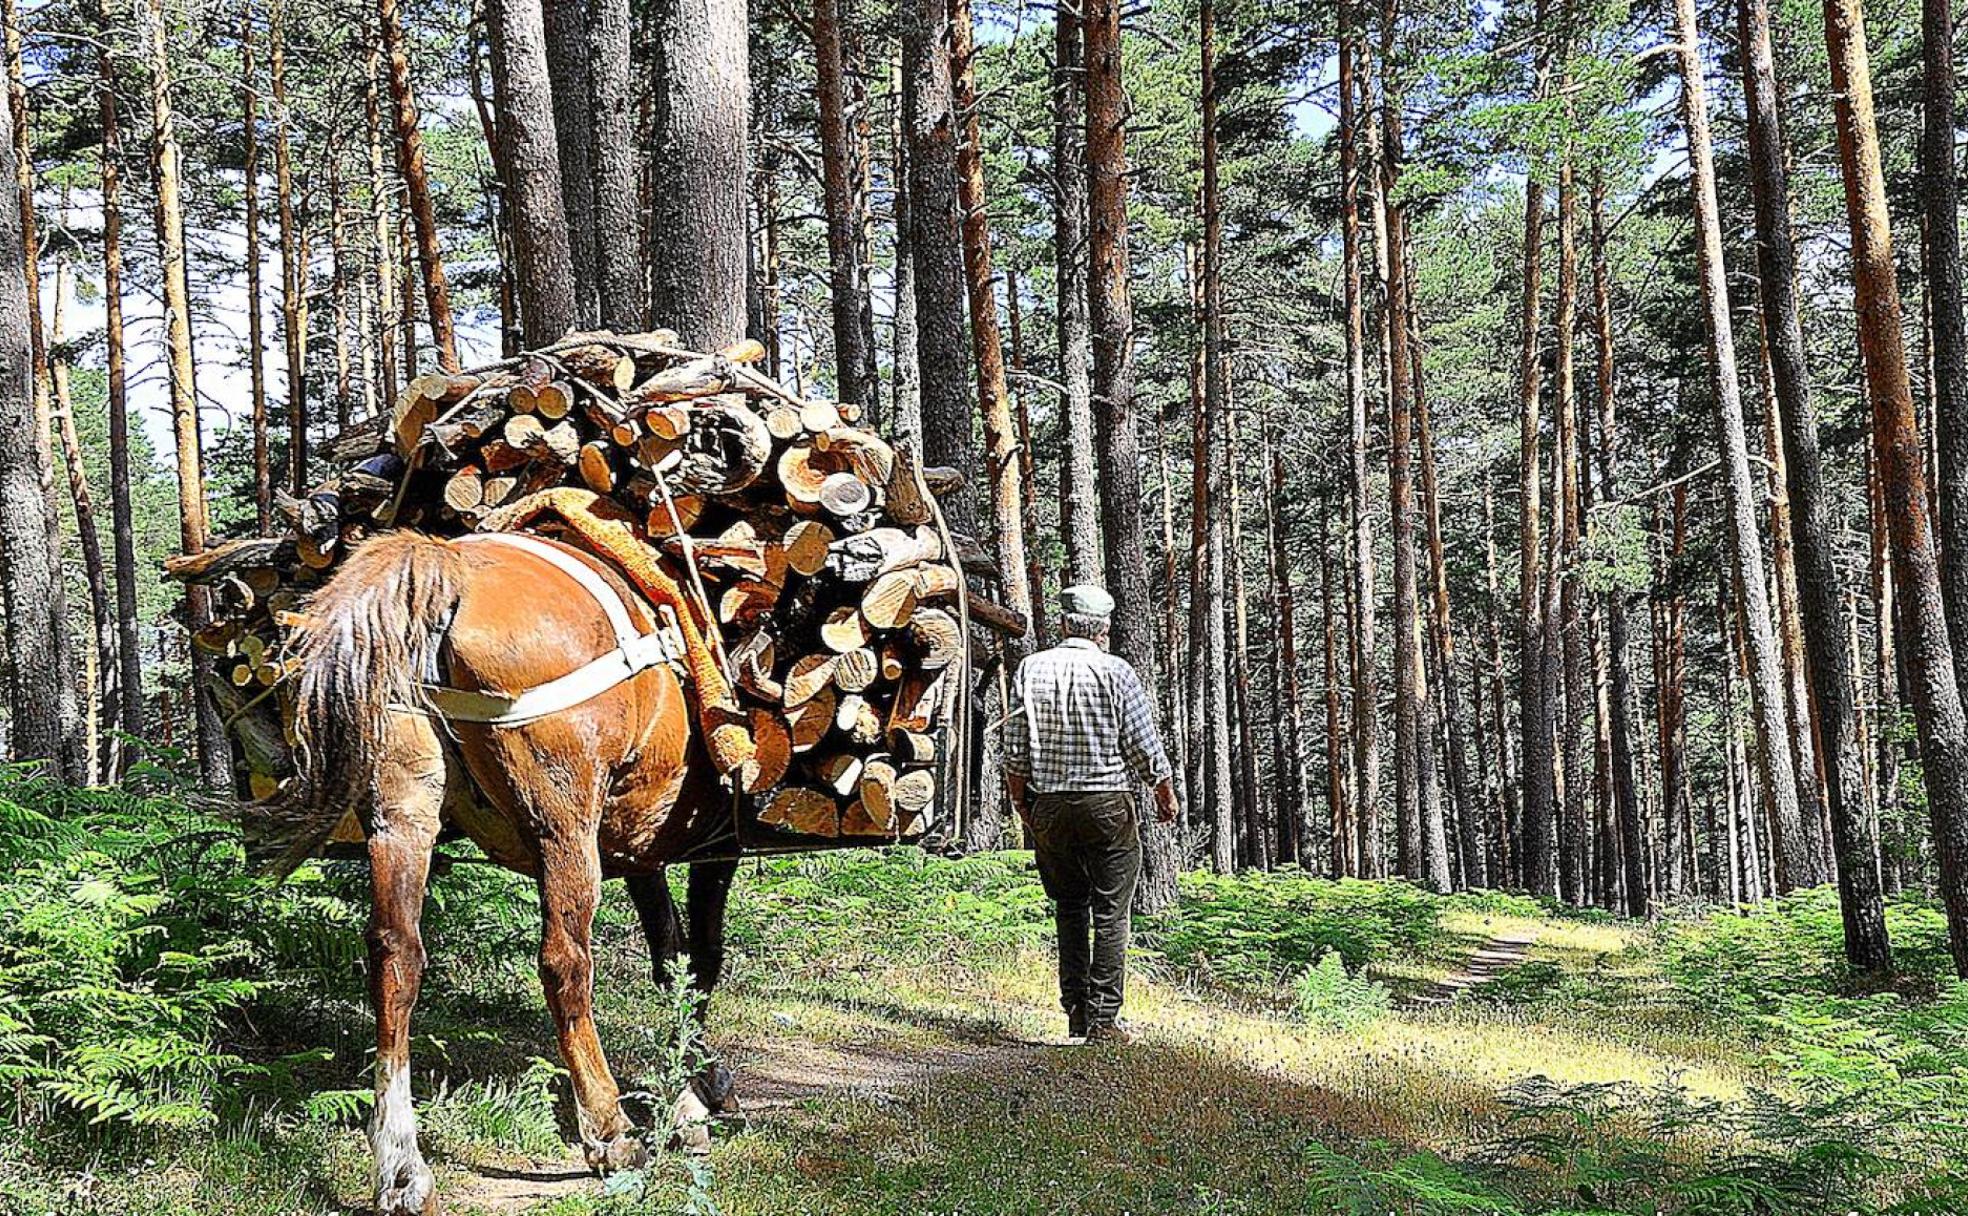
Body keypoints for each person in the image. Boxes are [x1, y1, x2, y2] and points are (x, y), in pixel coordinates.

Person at [1004, 584, 1179, 1044]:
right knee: (1112, 911)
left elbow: (1015, 749)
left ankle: (1076, 1013)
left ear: (1064, 623)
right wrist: (1164, 791)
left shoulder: (1031, 668)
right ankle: (1104, 1020)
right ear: (1104, 629)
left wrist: (1022, 803)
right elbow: (1142, 742)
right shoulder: (1116, 672)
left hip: (1050, 804)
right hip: (1106, 805)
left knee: (1069, 907)